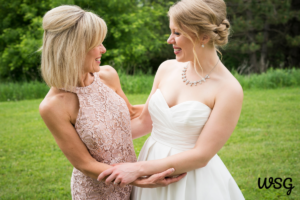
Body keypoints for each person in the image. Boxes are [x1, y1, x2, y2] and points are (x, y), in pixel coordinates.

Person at [98, 0, 245, 199]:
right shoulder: (166, 68)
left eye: (177, 33)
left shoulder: (229, 89)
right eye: (171, 32)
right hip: (150, 165)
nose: (169, 40)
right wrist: (96, 142)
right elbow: (144, 122)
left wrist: (138, 169)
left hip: (190, 179)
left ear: (203, 35)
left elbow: (201, 156)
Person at [39, 5, 185, 200]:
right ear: (72, 49)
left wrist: (182, 106)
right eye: (96, 44)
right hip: (97, 191)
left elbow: (132, 113)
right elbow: (85, 164)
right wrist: (137, 178)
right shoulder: (53, 106)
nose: (103, 49)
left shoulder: (107, 75)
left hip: (132, 183)